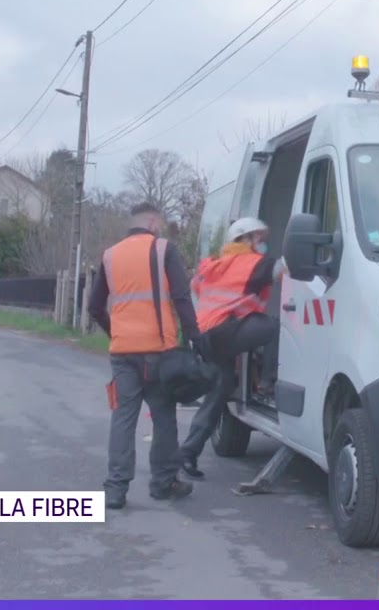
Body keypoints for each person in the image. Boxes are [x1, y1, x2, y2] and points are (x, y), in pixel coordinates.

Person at [88, 203, 203, 510]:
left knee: (123, 417)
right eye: (160, 223)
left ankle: (115, 489)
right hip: (158, 351)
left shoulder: (110, 255)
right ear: (153, 221)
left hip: (123, 352)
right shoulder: (163, 249)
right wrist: (195, 339)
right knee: (163, 415)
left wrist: (116, 333)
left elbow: (94, 306)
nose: (161, 228)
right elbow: (181, 296)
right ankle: (163, 483)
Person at [179, 218, 283, 480]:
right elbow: (282, 270)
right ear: (245, 240)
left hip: (204, 337)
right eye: (258, 238)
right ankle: (270, 383)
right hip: (225, 331)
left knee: (218, 394)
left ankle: (187, 454)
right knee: (274, 327)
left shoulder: (214, 264)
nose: (262, 244)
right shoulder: (254, 263)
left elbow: (195, 287)